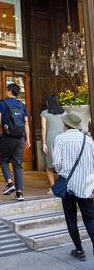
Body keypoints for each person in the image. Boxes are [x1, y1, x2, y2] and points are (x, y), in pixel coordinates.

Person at [53, 112, 94, 261]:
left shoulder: (61, 138)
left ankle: (79, 250)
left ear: (65, 124)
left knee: (71, 219)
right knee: (90, 219)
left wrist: (63, 171)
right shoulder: (88, 140)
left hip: (68, 186)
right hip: (87, 186)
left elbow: (56, 163)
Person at [0, 83, 31, 201]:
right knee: (18, 164)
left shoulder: (2, 103)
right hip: (20, 138)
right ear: (17, 93)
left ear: (8, 91)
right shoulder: (22, 105)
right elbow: (26, 124)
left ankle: (10, 183)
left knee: (3, 160)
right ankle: (20, 194)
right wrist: (27, 140)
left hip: (7, 136)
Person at [41, 95, 65, 194]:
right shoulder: (65, 113)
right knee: (61, 165)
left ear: (48, 102)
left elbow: (43, 128)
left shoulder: (45, 113)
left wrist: (44, 143)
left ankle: (53, 188)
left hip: (50, 139)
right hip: (62, 140)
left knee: (49, 165)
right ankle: (61, 187)